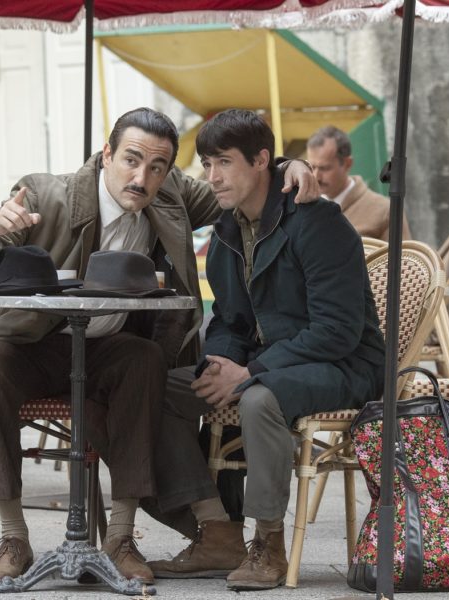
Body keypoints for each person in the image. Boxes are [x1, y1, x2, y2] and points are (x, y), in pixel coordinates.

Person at [0, 107, 318, 586]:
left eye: (156, 167)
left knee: (144, 359)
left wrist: (285, 166)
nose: (141, 177)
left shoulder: (171, 196)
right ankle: (14, 537)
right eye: (130, 159)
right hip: (32, 343)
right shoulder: (48, 194)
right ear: (106, 154)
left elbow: (237, 181)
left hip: (106, 347)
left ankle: (120, 537)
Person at [147, 109, 385, 590]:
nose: (212, 177)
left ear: (261, 162)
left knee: (258, 398)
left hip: (346, 364)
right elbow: (231, 321)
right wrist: (220, 362)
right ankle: (216, 529)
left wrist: (250, 371)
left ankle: (268, 544)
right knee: (157, 388)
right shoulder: (225, 232)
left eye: (224, 163)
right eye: (207, 164)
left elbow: (337, 331)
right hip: (274, 363)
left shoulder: (320, 223)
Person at [306, 125, 411, 242]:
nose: (316, 176)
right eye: (312, 167)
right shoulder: (305, 209)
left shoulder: (385, 211)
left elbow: (403, 259)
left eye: (324, 168)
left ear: (347, 164)